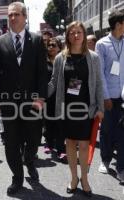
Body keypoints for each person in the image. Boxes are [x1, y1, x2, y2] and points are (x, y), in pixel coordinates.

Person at [0, 2, 47, 195]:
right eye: (10, 15)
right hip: (8, 103)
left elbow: (42, 73)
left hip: (32, 103)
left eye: (16, 14)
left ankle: (29, 160)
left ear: (25, 17)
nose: (12, 18)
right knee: (11, 143)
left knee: (33, 140)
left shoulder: (37, 41)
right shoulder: (0, 42)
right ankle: (17, 177)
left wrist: (41, 97)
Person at [48, 21, 104, 197]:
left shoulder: (93, 57)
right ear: (67, 36)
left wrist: (100, 107)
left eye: (79, 32)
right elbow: (53, 82)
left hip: (86, 108)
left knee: (85, 145)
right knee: (70, 143)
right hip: (66, 109)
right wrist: (40, 96)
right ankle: (74, 178)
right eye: (72, 33)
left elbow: (99, 83)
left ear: (83, 34)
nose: (76, 35)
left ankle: (85, 178)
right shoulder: (60, 58)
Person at [95, 10, 124, 184]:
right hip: (108, 97)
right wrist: (105, 97)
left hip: (123, 96)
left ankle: (121, 168)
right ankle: (105, 160)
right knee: (106, 130)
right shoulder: (102, 44)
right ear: (119, 24)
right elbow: (100, 74)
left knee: (122, 133)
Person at [43, 37, 66, 161]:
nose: (51, 47)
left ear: (59, 47)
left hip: (61, 97)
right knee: (48, 122)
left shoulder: (65, 60)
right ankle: (49, 144)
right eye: (49, 45)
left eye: (53, 45)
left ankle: (61, 149)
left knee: (60, 123)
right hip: (47, 97)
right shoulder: (43, 61)